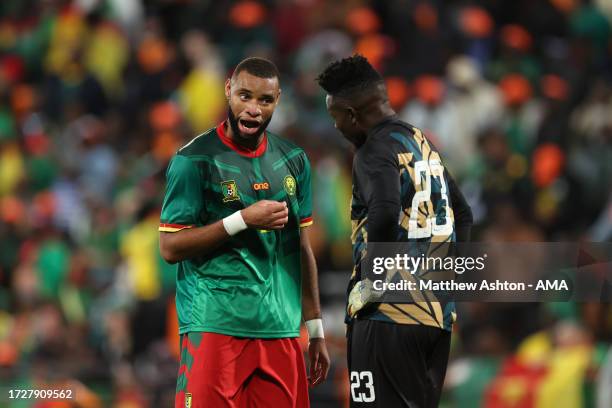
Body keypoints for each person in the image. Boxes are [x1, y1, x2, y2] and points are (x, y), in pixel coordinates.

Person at [160, 57, 330, 408]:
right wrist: (241, 220)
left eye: (264, 100)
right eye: (244, 96)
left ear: (278, 100)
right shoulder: (194, 161)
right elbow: (170, 246)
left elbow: (301, 247)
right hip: (214, 322)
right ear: (228, 91)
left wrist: (315, 329)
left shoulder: (294, 160)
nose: (253, 109)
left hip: (280, 329)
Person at [317, 55, 473, 407]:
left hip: (387, 317)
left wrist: (373, 282)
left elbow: (385, 212)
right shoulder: (423, 144)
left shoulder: (372, 150)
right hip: (436, 318)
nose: (336, 128)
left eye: (335, 117)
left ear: (353, 115)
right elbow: (463, 215)